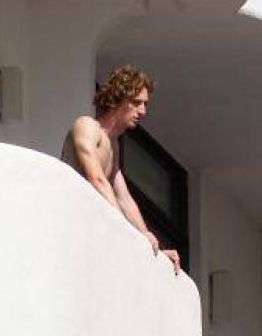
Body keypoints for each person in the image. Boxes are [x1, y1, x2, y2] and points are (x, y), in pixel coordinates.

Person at [61, 64, 180, 274]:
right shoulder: (87, 126)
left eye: (144, 104)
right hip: (70, 227)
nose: (143, 111)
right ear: (118, 99)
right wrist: (123, 228)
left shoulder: (113, 145)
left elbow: (124, 197)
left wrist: (150, 240)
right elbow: (96, 178)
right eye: (136, 103)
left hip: (91, 231)